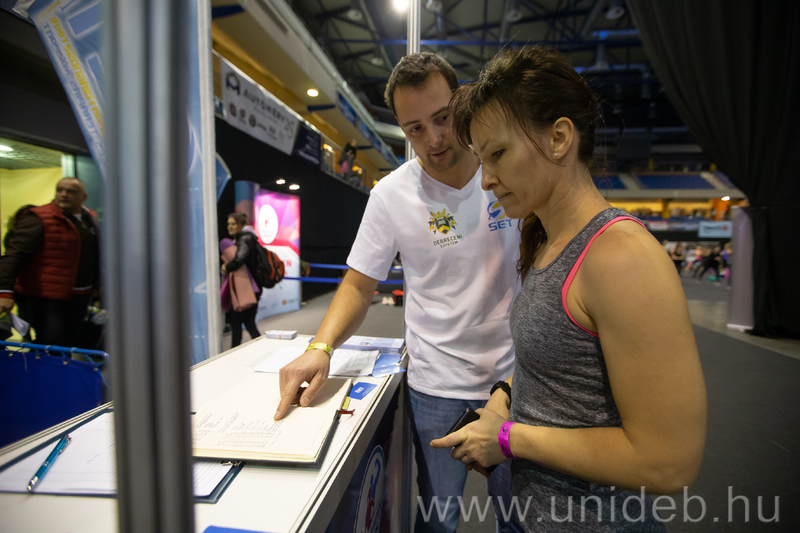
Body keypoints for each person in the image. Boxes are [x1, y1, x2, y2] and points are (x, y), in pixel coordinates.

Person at [431, 46, 707, 531]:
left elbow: (668, 463)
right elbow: (554, 364)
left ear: (558, 138)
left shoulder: (621, 258)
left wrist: (509, 439)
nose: (486, 179)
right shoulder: (546, 239)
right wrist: (502, 398)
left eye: (498, 154)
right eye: (481, 159)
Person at [275, 52, 522, 533]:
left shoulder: (505, 172)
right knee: (437, 519)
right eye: (415, 129)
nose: (434, 139)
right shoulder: (390, 195)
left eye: (443, 118)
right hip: (436, 387)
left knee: (518, 518)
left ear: (461, 102)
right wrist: (320, 347)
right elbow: (358, 283)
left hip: (516, 382)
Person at [0, 178, 101, 349]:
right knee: (51, 343)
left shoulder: (89, 219)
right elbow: (13, 256)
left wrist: (97, 286)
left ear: (84, 196)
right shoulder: (39, 217)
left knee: (70, 343)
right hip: (46, 297)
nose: (64, 194)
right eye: (60, 190)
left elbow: (94, 255)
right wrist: (4, 292)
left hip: (80, 295)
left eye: (71, 191)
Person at [221, 213, 262, 347]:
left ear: (241, 225)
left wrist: (227, 267)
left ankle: (233, 352)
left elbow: (240, 259)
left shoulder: (244, 239)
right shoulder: (247, 238)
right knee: (249, 323)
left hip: (247, 288)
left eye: (233, 224)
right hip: (251, 287)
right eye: (228, 224)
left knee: (236, 322)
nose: (230, 227)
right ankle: (262, 347)